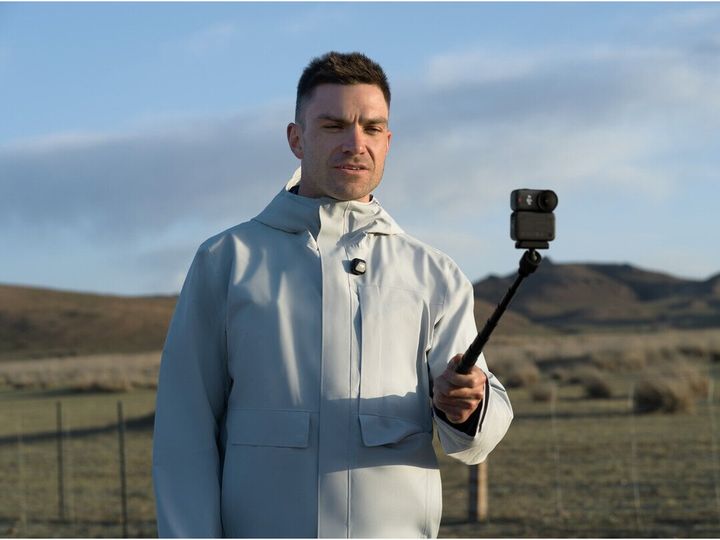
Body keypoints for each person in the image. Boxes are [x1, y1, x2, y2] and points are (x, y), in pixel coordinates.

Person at [152, 51, 513, 538]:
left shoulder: (433, 274)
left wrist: (468, 406)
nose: (355, 143)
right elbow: (183, 433)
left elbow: (477, 436)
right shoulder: (225, 261)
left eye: (371, 127)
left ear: (388, 141)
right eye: (334, 125)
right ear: (296, 138)